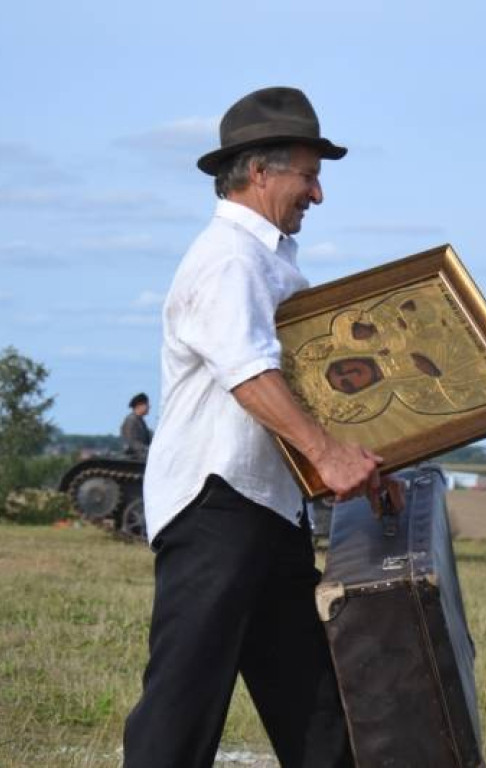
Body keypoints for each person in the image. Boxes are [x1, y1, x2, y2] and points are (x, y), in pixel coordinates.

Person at [122, 87, 404, 768]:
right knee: (182, 708)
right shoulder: (229, 257)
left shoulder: (272, 262)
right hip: (216, 506)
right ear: (260, 171)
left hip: (266, 510)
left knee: (314, 706)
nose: (318, 193)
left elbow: (307, 386)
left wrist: (366, 459)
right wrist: (328, 456)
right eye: (309, 175)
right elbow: (248, 373)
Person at [120, 393, 152, 461]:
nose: (149, 406)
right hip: (133, 459)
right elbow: (132, 443)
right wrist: (149, 450)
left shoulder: (141, 421)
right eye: (146, 404)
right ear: (139, 405)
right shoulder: (131, 421)